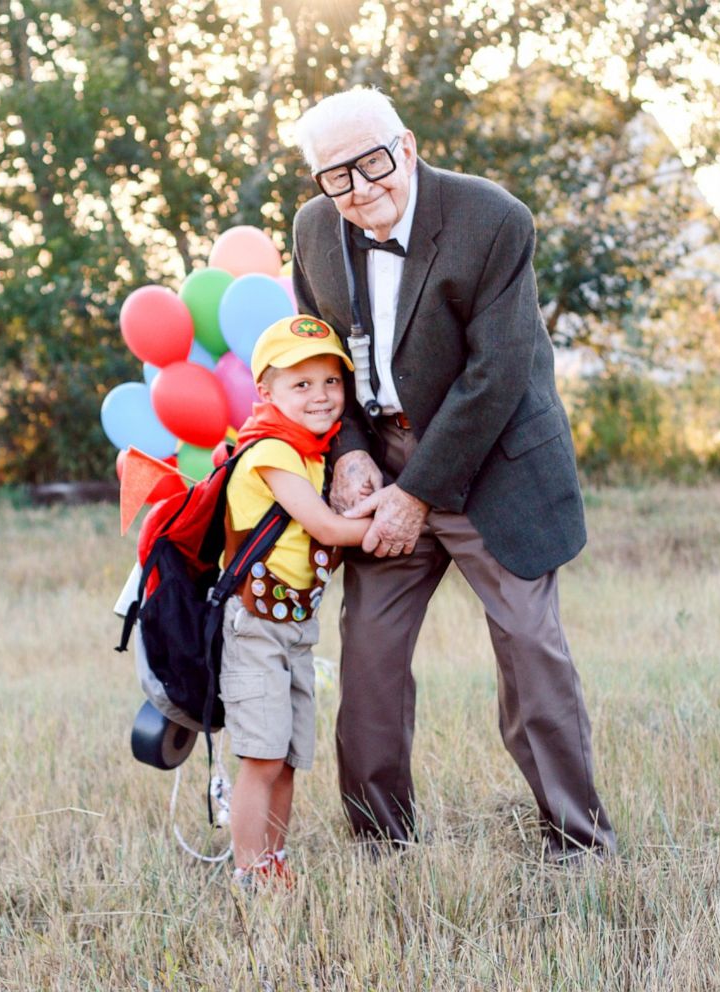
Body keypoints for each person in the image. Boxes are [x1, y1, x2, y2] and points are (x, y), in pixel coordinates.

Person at [291, 87, 616, 861]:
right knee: (367, 655)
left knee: (531, 652)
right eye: (335, 176)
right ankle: (381, 843)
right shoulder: (311, 232)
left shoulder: (492, 218)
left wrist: (419, 491)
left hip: (490, 464)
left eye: (370, 163)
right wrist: (349, 452)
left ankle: (577, 843)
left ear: (404, 145)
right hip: (382, 467)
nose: (359, 188)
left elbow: (497, 373)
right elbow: (320, 363)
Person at [220, 314, 373, 888]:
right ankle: (248, 871)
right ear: (266, 391)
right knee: (260, 757)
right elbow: (328, 530)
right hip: (256, 626)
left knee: (285, 757)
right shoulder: (272, 452)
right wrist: (400, 521)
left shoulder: (312, 451)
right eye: (301, 384)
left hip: (295, 626)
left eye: (331, 382)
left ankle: (273, 863)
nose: (321, 396)